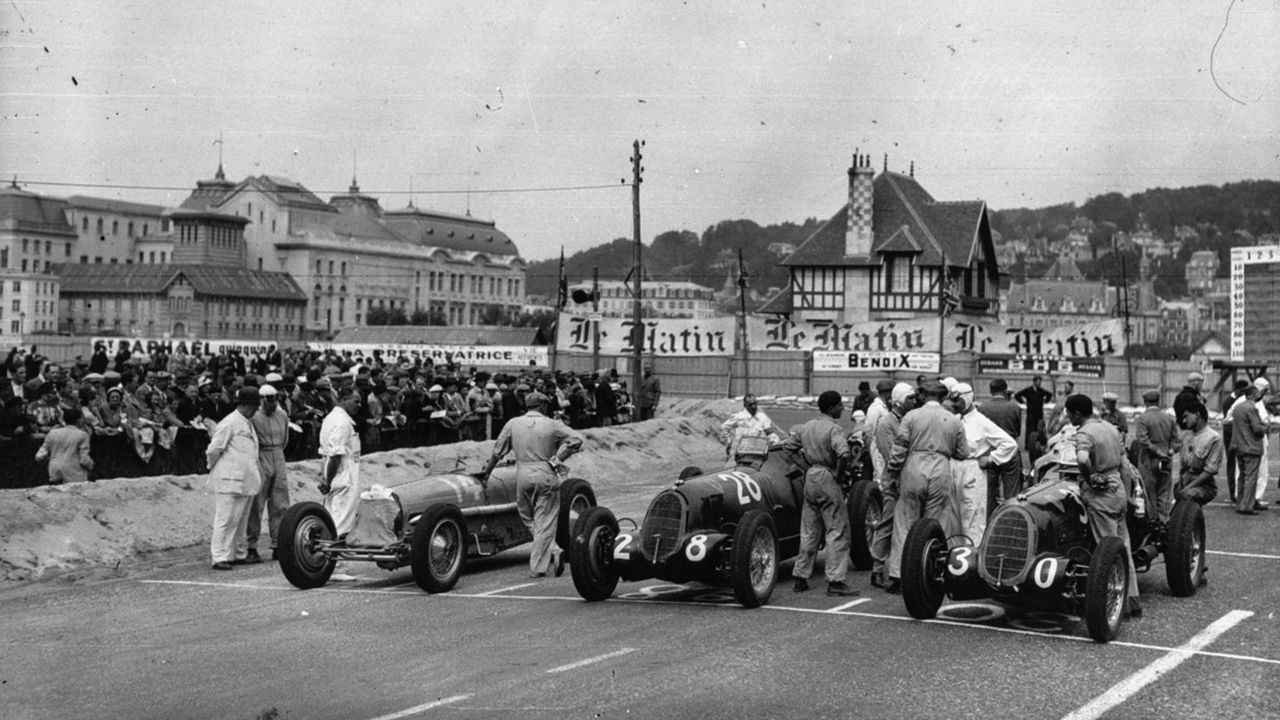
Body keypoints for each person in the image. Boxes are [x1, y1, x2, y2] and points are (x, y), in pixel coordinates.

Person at [478, 391, 584, 577]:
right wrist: (558, 459)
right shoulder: (551, 424)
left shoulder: (513, 423)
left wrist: (487, 473)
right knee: (546, 519)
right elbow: (576, 439)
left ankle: (550, 549)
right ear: (542, 406)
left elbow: (497, 452)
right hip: (546, 471)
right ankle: (543, 561)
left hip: (522, 474)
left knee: (526, 516)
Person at [885, 380, 970, 594]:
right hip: (941, 468)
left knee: (905, 521)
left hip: (914, 467)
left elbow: (899, 448)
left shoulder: (911, 417)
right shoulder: (953, 420)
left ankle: (898, 574)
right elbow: (963, 453)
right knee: (936, 524)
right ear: (943, 397)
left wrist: (893, 473)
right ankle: (932, 571)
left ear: (923, 395)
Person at [1066, 394, 1141, 617]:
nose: (1068, 417)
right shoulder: (1110, 427)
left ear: (1077, 413)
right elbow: (1125, 465)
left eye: (1069, 413)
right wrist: (1126, 494)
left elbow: (1081, 459)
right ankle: (1132, 599)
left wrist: (1089, 479)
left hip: (1100, 495)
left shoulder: (1085, 433)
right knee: (1123, 547)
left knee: (1107, 550)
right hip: (1117, 489)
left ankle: (1115, 603)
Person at [785, 390, 858, 597]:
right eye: (840, 406)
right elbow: (843, 454)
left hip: (810, 477)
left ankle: (800, 576)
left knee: (809, 530)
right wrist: (839, 474)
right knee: (837, 530)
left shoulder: (806, 427)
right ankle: (835, 581)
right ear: (832, 407)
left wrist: (804, 466)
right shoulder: (835, 429)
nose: (842, 409)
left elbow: (788, 449)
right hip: (827, 476)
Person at [950, 383, 1018, 541]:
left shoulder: (982, 422)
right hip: (952, 468)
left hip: (972, 469)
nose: (954, 405)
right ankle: (954, 557)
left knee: (972, 515)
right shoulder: (953, 420)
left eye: (957, 400)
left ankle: (973, 554)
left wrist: (990, 459)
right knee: (953, 517)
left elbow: (1009, 444)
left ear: (967, 399)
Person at [205, 387, 262, 571]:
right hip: (229, 478)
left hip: (245, 479)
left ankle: (236, 554)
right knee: (224, 519)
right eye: (254, 406)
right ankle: (219, 556)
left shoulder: (247, 422)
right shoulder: (229, 422)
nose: (256, 410)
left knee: (239, 520)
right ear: (246, 405)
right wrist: (216, 468)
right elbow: (214, 449)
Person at [869, 382, 914, 590]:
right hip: (894, 479)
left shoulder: (907, 420)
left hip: (908, 477)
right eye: (909, 398)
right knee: (888, 523)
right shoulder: (886, 424)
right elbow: (890, 454)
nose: (913, 402)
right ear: (898, 401)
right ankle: (877, 567)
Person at [319, 385, 364, 582]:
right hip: (343, 480)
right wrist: (327, 480)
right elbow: (335, 455)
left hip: (341, 478)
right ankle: (335, 567)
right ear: (344, 399)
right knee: (339, 524)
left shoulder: (333, 418)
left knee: (334, 521)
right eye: (356, 401)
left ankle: (334, 563)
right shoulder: (342, 422)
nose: (359, 405)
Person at [246, 384, 290, 563]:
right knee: (257, 503)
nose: (272, 403)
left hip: (278, 454)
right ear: (262, 399)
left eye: (275, 399)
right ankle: (251, 546)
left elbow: (285, 438)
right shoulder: (254, 417)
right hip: (261, 455)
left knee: (280, 503)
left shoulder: (282, 415)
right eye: (269, 399)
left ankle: (278, 544)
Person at [1131, 389, 1178, 522]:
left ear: (1145, 402)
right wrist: (1170, 451)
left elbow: (1143, 440)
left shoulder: (1143, 419)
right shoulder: (1169, 418)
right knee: (1164, 493)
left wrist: (1157, 452)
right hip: (1166, 460)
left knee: (1149, 493)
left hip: (1148, 460)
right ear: (1159, 401)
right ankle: (1163, 521)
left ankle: (1151, 523)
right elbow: (1177, 441)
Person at [976, 378, 1024, 506]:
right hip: (1010, 450)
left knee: (989, 492)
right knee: (1012, 493)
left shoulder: (982, 408)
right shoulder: (1014, 407)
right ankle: (1010, 520)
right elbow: (1017, 431)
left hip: (989, 451)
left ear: (991, 391)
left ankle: (989, 520)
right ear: (1005, 390)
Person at [1175, 400, 1222, 507]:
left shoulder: (1214, 438)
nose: (1184, 420)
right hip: (1184, 483)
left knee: (1187, 497)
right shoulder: (1185, 435)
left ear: (1197, 415)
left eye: (1186, 416)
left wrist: (1188, 487)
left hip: (1203, 485)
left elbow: (1209, 471)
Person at [1230, 384, 1266, 515]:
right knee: (1251, 478)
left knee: (1242, 477)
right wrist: (1265, 427)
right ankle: (1247, 506)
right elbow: (1257, 429)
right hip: (1251, 447)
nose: (1259, 394)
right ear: (1252, 394)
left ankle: (1240, 503)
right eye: (1257, 392)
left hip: (1239, 446)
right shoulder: (1252, 408)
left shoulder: (1238, 408)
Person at [34, 407, 94, 484]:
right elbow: (84, 460)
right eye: (82, 418)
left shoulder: (52, 433)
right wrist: (91, 465)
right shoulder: (82, 435)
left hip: (54, 471)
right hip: (74, 474)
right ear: (78, 420)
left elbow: (39, 456)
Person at [719, 393, 784, 459]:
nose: (753, 406)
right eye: (750, 405)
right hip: (741, 452)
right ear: (745, 405)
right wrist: (728, 441)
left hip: (757, 452)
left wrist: (776, 442)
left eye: (754, 404)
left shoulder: (762, 417)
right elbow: (724, 427)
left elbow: (770, 433)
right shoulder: (738, 417)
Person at [1220, 379, 1251, 505]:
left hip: (1233, 432)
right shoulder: (1230, 402)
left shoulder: (1232, 400)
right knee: (1232, 462)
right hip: (1231, 433)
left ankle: (1236, 491)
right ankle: (1233, 492)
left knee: (1235, 463)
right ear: (1238, 390)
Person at [1014, 376, 1054, 463]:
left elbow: (1050, 395)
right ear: (1034, 382)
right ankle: (1028, 446)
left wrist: (1045, 401)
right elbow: (1017, 395)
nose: (1039, 383)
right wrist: (1023, 402)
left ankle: (1036, 445)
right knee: (1029, 430)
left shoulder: (1041, 391)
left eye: (1040, 382)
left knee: (1038, 430)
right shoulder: (1028, 390)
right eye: (1038, 382)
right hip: (1031, 413)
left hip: (1039, 414)